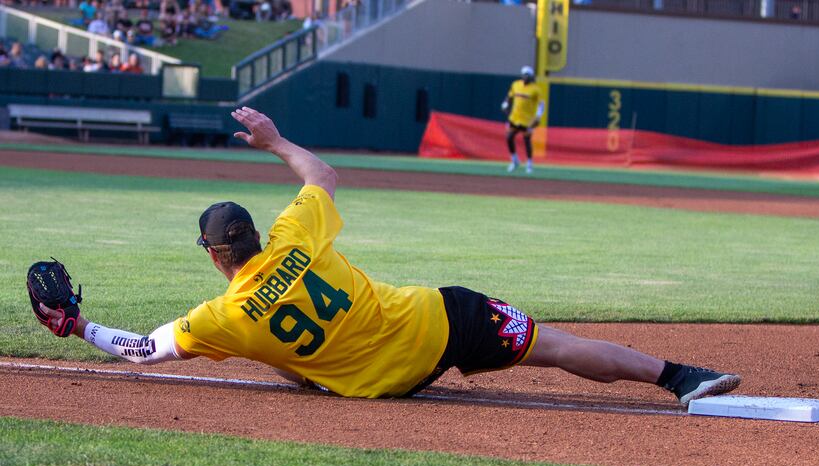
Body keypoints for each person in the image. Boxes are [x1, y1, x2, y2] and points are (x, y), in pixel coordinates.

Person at [35, 107, 741, 405]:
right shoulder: (296, 234)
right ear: (251, 238)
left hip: (385, 384)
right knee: (553, 345)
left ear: (213, 255)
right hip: (442, 321)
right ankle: (681, 377)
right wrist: (277, 142)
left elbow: (146, 351)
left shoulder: (224, 315)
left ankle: (320, 373)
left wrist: (80, 327)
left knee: (282, 357)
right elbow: (324, 176)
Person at [501, 66, 544, 174]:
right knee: (509, 137)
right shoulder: (516, 84)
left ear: (531, 77)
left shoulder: (535, 89)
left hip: (527, 119)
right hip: (515, 117)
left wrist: (538, 116)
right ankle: (515, 160)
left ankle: (529, 163)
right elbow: (510, 96)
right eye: (523, 75)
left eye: (527, 75)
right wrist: (505, 103)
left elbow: (541, 104)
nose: (525, 77)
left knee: (527, 140)